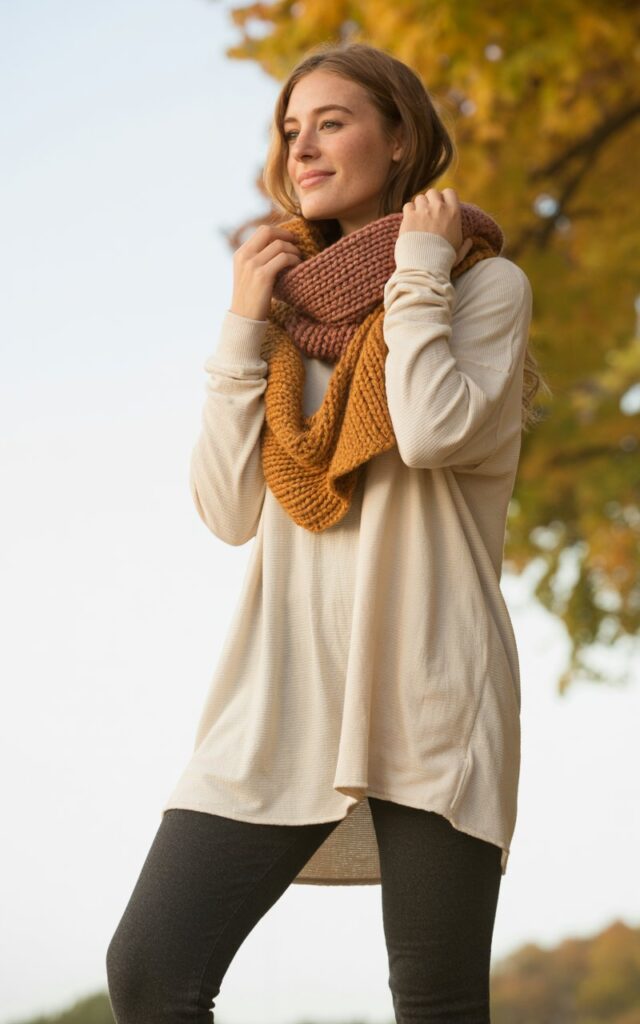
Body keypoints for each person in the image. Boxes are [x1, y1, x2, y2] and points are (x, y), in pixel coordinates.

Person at [106, 40, 544, 1024]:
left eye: (332, 122)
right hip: (280, 686)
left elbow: (428, 430)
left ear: (399, 139)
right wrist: (238, 323)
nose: (302, 146)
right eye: (290, 130)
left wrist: (419, 271)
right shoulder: (279, 320)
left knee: (434, 1001)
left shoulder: (479, 287)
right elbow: (226, 511)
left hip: (428, 685)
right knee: (149, 968)